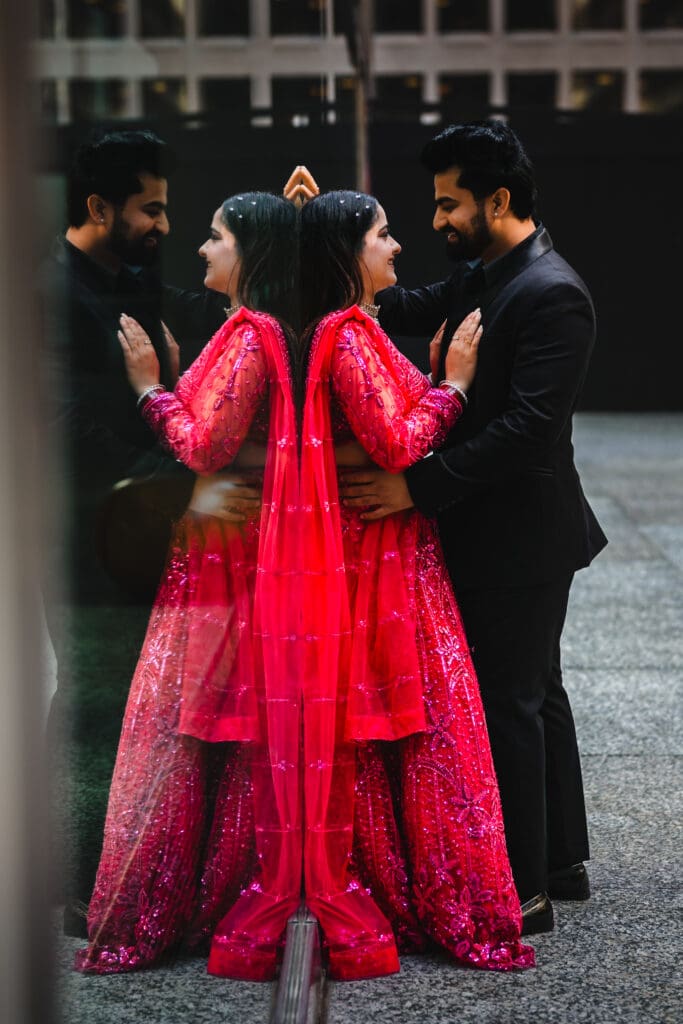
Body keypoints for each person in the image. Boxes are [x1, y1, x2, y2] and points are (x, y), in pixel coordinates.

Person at [339, 122, 607, 933]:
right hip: (506, 528)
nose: (436, 221)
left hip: (519, 534)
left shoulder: (550, 291)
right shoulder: (492, 272)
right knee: (536, 693)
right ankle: (559, 861)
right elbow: (404, 308)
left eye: (448, 203)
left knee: (510, 703)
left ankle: (521, 891)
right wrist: (333, 251)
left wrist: (413, 488)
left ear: (498, 200)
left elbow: (526, 430)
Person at [297, 190, 534, 974]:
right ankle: (415, 882)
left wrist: (434, 373)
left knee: (414, 719)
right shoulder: (347, 334)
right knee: (410, 721)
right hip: (381, 558)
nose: (398, 247)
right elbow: (397, 442)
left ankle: (412, 872)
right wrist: (455, 382)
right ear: (347, 255)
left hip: (397, 548)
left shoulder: (359, 329)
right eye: (383, 234)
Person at [75, 191, 300, 975]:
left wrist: (147, 386)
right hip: (215, 552)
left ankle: (181, 889)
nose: (200, 249)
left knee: (191, 722)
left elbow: (204, 447)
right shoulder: (246, 331)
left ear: (250, 255)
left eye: (215, 237)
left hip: (219, 558)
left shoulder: (248, 335)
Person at [40, 130, 252, 934]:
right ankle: (69, 881)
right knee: (93, 698)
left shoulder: (127, 276)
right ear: (99, 207)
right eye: (151, 208)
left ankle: (105, 872)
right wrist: (179, 475)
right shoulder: (49, 290)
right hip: (80, 535)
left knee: (117, 699)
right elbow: (59, 427)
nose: (166, 224)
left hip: (128, 528)